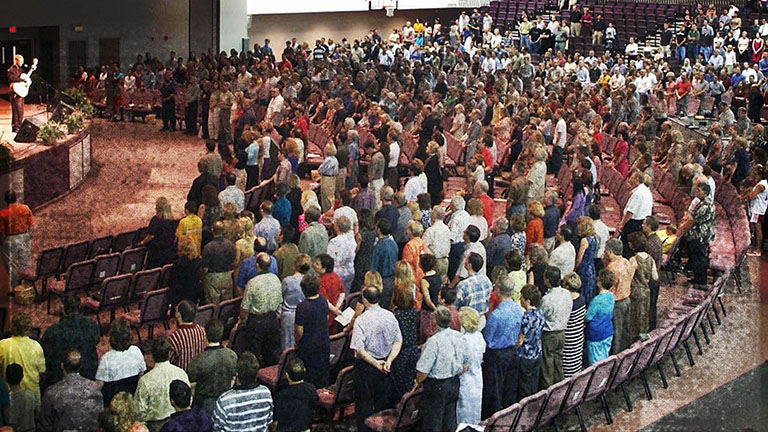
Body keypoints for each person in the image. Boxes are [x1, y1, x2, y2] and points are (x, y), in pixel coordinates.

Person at [350, 286, 403, 432]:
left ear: (365, 300)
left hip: (367, 367)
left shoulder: (361, 320)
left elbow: (359, 349)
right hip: (386, 365)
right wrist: (389, 361)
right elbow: (398, 341)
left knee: (364, 404)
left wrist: (376, 363)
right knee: (383, 404)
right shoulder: (390, 316)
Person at [413, 306, 469, 432]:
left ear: (435, 322)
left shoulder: (433, 342)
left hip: (437, 386)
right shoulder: (459, 337)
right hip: (454, 382)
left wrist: (418, 382)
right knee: (450, 420)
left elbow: (423, 371)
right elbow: (466, 364)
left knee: (433, 422)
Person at [481, 275, 523, 419]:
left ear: (498, 290)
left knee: (494, 390)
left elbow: (488, 337)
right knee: (509, 389)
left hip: (496, 355)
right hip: (512, 352)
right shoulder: (518, 309)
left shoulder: (496, 315)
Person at [40, 294, 99, 385]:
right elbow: (96, 341)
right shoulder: (92, 325)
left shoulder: (53, 331)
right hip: (88, 372)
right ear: (79, 308)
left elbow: (44, 352)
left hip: (59, 378)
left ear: (63, 309)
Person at [38, 350, 103, 432]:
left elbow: (44, 425)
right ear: (80, 366)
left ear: (62, 366)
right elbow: (100, 418)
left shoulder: (52, 393)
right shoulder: (94, 388)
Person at [135, 337, 190, 431]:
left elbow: (139, 411)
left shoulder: (145, 380)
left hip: (156, 425)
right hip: (180, 421)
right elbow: (189, 398)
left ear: (152, 356)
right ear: (169, 353)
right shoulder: (181, 373)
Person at [238, 252, 282, 366]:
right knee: (272, 354)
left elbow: (244, 307)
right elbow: (279, 301)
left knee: (253, 355)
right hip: (273, 319)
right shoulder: (276, 279)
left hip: (256, 322)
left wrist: (242, 321)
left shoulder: (253, 283)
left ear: (257, 265)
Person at [212, 352, 274, 431]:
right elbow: (268, 422)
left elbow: (217, 428)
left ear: (237, 373)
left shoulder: (225, 400)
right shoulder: (266, 394)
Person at [188, 319, 237, 417]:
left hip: (202, 407)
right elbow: (233, 379)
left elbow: (192, 389)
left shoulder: (197, 360)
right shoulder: (232, 355)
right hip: (226, 401)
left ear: (205, 335)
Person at [95, 319, 147, 406]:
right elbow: (141, 375)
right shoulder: (136, 351)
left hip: (112, 404)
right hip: (131, 399)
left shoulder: (107, 359)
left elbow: (99, 385)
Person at [295, 275, 331, 389]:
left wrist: (297, 342)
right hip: (323, 343)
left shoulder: (302, 307)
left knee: (309, 377)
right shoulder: (323, 301)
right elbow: (327, 318)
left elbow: (299, 331)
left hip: (308, 346)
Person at [539, 266, 572, 388]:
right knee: (559, 363)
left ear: (547, 280)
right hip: (562, 332)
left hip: (550, 334)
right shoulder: (566, 294)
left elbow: (541, 316)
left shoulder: (547, 299)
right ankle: (560, 388)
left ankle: (548, 392)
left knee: (547, 366)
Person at [0, 313, 45, 401]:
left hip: (8, 395)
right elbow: (41, 371)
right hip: (32, 395)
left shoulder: (2, 345)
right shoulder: (36, 346)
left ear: (12, 327)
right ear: (29, 328)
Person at [680, 182, 716, 285]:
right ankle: (697, 276)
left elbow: (693, 220)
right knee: (696, 256)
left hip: (701, 235)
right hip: (699, 233)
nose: (696, 192)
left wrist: (682, 228)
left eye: (699, 191)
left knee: (700, 258)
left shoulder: (705, 206)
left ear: (705, 192)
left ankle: (701, 280)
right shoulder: (703, 202)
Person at [390, 284, 420, 401]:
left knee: (398, 383)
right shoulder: (414, 312)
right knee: (409, 381)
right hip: (413, 349)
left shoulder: (396, 315)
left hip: (400, 352)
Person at [456, 307, 485, 425]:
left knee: (463, 408)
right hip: (477, 375)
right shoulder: (479, 336)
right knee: (475, 406)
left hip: (466, 377)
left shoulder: (463, 340)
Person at [272, 358, 318, 432]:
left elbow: (275, 421)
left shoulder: (280, 394)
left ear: (287, 375)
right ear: (305, 370)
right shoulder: (311, 389)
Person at [628, 232, 658, 342]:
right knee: (644, 316)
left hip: (635, 292)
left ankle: (633, 341)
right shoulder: (650, 259)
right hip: (646, 291)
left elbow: (629, 278)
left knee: (634, 319)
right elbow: (655, 277)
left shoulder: (634, 259)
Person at [0, 190, 33, 287]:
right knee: (25, 261)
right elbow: (31, 224)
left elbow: (1, 231)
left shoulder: (3, 213)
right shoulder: (25, 208)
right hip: (24, 236)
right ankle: (27, 286)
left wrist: (2, 243)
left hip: (10, 239)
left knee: (11, 265)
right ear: (16, 198)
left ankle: (16, 287)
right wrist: (28, 235)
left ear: (5, 200)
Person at [517, 284, 545, 399]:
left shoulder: (526, 318)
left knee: (524, 386)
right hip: (537, 352)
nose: (520, 300)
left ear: (527, 301)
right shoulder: (540, 313)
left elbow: (520, 341)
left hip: (526, 355)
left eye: (522, 298)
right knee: (534, 382)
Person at [618, 171, 653, 258]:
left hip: (633, 223)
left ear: (637, 179)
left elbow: (630, 211)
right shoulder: (646, 190)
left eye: (632, 177)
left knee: (627, 245)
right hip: (641, 221)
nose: (630, 179)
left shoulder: (638, 193)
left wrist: (622, 224)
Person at [138, 197, 179, 269]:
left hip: (156, 255)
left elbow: (150, 236)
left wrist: (142, 243)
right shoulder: (172, 221)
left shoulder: (156, 220)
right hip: (169, 254)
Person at [455, 252, 493, 328]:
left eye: (466, 260)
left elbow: (456, 305)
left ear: (469, 265)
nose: (464, 261)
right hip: (481, 320)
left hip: (467, 322)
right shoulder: (487, 280)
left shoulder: (463, 285)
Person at [202, 221, 236, 305]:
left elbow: (205, 268)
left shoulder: (208, 247)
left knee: (213, 305)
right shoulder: (230, 245)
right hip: (227, 276)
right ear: (223, 230)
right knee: (226, 305)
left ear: (212, 230)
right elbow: (233, 261)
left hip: (213, 278)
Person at [587, 270, 616, 365]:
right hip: (608, 331)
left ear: (600, 282)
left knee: (595, 363)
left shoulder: (596, 300)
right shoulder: (611, 296)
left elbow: (588, 317)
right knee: (604, 357)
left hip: (596, 334)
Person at [167, 301, 207, 371]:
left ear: (178, 314)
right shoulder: (203, 331)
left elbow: (169, 362)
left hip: (181, 376)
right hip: (200, 373)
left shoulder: (175, 337)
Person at [168, 236, 204, 309]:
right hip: (193, 296)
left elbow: (172, 283)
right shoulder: (199, 262)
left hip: (180, 297)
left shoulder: (178, 264)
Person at [370, 218, 399, 309]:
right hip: (393, 279)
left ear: (378, 229)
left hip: (382, 280)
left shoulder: (379, 246)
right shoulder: (393, 243)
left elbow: (374, 266)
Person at [562, 272, 585, 378]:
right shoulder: (581, 299)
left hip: (568, 338)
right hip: (578, 336)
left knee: (567, 362)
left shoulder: (568, 303)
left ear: (567, 286)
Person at [5, 364, 39, 432]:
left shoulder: (5, 398)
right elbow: (38, 415)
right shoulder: (31, 396)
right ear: (22, 377)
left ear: (6, 378)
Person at [327, 216, 357, 291]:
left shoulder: (334, 242)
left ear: (337, 227)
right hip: (350, 271)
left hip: (337, 274)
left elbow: (329, 259)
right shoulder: (352, 238)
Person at [575, 216, 598, 305]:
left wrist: (575, 268)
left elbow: (579, 258)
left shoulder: (584, 240)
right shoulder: (594, 238)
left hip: (584, 268)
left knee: (583, 288)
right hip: (591, 266)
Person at [7, 55, 27, 132]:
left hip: (19, 91)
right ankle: (15, 126)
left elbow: (23, 76)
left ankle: (20, 124)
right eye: (20, 61)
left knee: (21, 109)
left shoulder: (20, 69)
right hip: (14, 91)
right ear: (16, 61)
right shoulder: (11, 70)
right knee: (16, 109)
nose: (22, 62)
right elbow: (13, 78)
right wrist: (22, 80)